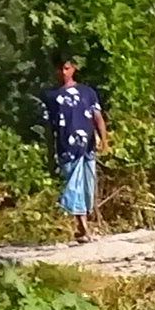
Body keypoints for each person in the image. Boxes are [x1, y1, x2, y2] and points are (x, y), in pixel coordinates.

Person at [40, 61, 108, 240]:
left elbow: (97, 117)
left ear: (74, 69)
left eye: (67, 68)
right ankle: (84, 227)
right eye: (60, 68)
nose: (63, 72)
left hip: (87, 147)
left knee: (87, 187)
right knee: (73, 186)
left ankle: (80, 227)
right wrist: (50, 153)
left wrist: (104, 140)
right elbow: (49, 128)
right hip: (66, 148)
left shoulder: (87, 93)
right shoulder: (51, 96)